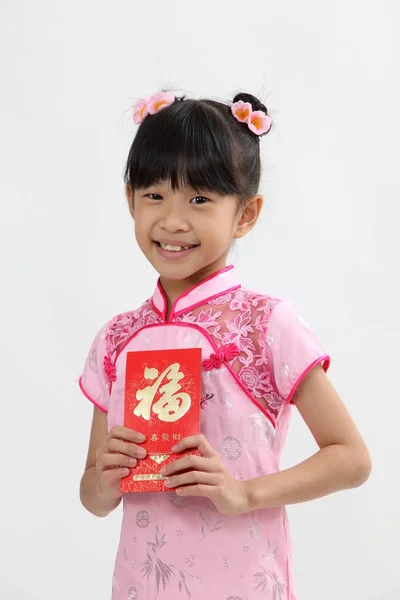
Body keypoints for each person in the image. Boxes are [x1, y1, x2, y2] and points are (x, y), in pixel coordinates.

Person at [79, 90, 371, 600]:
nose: (172, 220)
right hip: (139, 586)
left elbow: (350, 457)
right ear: (130, 200)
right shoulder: (117, 339)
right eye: (154, 195)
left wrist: (243, 493)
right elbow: (92, 494)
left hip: (244, 584)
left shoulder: (266, 324)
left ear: (246, 214)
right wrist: (104, 482)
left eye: (199, 199)